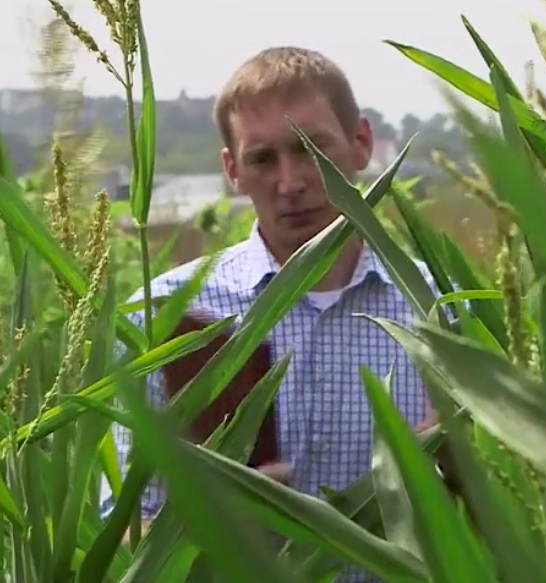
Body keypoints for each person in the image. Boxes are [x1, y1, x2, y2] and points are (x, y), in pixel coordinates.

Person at [100, 46, 438, 583]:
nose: (291, 182)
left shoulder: (442, 308)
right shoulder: (164, 316)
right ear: (232, 170)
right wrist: (212, 521)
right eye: (263, 159)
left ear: (362, 145)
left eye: (311, 150)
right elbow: (120, 535)